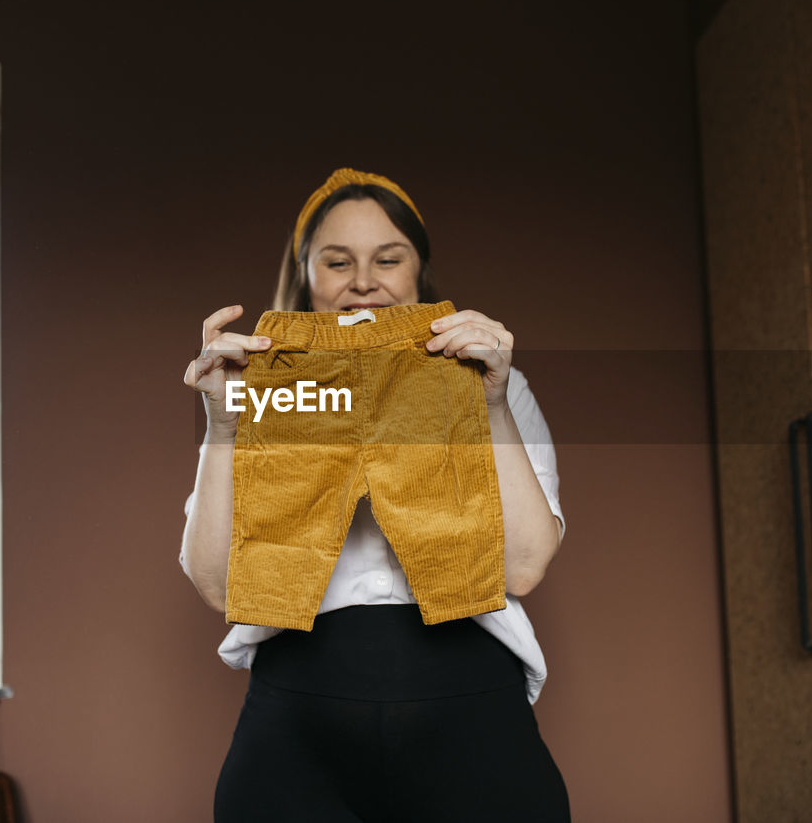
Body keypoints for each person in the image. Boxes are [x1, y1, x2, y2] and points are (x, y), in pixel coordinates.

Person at [180, 168, 570, 823]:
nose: (364, 281)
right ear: (305, 275)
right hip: (299, 712)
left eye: (389, 259)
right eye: (338, 261)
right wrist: (225, 423)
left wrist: (491, 403)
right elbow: (219, 585)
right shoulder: (266, 390)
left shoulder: (491, 382)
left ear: (421, 272)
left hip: (470, 701)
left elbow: (525, 567)